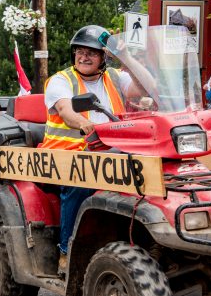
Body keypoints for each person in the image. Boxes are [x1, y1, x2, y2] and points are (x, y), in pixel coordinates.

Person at [40, 25, 153, 274]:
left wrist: (127, 57)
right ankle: (66, 251)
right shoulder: (61, 80)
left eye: (91, 52)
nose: (83, 56)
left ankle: (142, 242)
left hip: (110, 153)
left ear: (104, 57)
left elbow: (148, 87)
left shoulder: (114, 77)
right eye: (79, 51)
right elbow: (66, 111)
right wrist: (84, 123)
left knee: (148, 175)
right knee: (80, 182)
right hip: (66, 157)